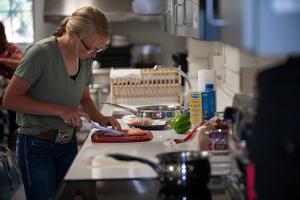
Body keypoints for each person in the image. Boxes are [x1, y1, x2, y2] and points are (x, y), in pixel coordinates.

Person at [2, 6, 121, 200]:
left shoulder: (85, 59)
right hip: (36, 145)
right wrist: (60, 110)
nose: (94, 54)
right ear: (72, 34)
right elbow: (10, 99)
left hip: (67, 143)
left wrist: (101, 119)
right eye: (91, 48)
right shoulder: (41, 54)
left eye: (99, 49)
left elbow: (84, 98)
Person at [0, 21, 23, 149]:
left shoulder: (9, 49)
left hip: (8, 91)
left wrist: (2, 60)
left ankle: (12, 139)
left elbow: (22, 62)